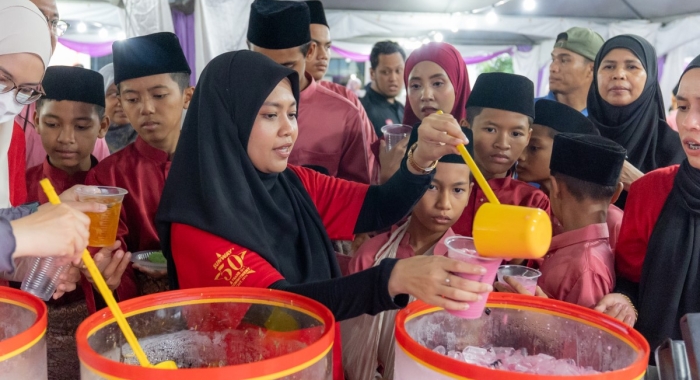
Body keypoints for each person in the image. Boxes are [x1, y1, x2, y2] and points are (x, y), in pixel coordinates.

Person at [155, 50, 489, 380]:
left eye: (292, 113)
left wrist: (422, 159)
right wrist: (391, 278)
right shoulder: (197, 226)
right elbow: (281, 311)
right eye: (271, 115)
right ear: (229, 119)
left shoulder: (293, 184)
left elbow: (379, 206)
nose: (289, 130)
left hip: (315, 365)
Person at [343, 127, 473, 380]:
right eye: (432, 187)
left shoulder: (467, 266)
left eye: (457, 190)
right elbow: (351, 342)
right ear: (412, 186)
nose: (444, 204)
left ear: (469, 193)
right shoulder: (372, 255)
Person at [595, 55, 700, 359]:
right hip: (655, 363)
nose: (690, 123)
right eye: (682, 107)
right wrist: (626, 301)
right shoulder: (650, 191)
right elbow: (632, 279)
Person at [86, 32, 194, 298]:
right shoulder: (105, 177)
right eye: (132, 99)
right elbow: (108, 255)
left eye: (158, 95)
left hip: (209, 297)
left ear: (187, 97)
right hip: (141, 307)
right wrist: (107, 272)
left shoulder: (218, 164)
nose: (146, 108)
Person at [247, 0, 376, 184]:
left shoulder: (345, 115)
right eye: (263, 65)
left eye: (287, 67)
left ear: (309, 52)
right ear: (248, 49)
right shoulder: (232, 106)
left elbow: (358, 195)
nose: (274, 77)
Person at [587, 34, 685, 209]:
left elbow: (684, 215)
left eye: (632, 66)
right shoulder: (577, 136)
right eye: (608, 66)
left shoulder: (674, 147)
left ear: (650, 77)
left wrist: (636, 180)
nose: (618, 75)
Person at [516, 99, 624, 250]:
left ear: (565, 151)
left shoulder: (610, 220)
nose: (520, 156)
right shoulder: (529, 205)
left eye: (533, 148)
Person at [454, 72, 550, 236]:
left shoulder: (532, 202)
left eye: (516, 134)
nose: (503, 144)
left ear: (528, 137)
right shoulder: (439, 186)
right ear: (466, 127)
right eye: (490, 129)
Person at [536, 133, 625, 308]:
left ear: (555, 188)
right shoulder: (588, 254)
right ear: (616, 193)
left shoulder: (585, 267)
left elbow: (583, 334)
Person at [378, 41, 469, 185]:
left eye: (437, 83)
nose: (426, 95)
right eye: (415, 86)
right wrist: (387, 180)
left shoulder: (479, 148)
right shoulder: (393, 151)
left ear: (458, 85)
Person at [25, 66, 108, 203]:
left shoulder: (115, 185)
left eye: (81, 127)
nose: (66, 139)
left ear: (102, 126)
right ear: (37, 121)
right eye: (52, 124)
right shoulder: (19, 186)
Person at [543, 27, 604, 115]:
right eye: (553, 59)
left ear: (591, 69)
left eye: (564, 60)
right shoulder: (530, 113)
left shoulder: (606, 120)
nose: (553, 68)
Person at [361, 41, 406, 136]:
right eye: (385, 72)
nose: (393, 78)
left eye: (398, 71)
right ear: (372, 73)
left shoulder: (402, 108)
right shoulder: (363, 112)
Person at [99, 63, 137, 153]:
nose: (121, 103)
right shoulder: (90, 141)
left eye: (129, 94)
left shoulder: (151, 138)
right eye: (113, 94)